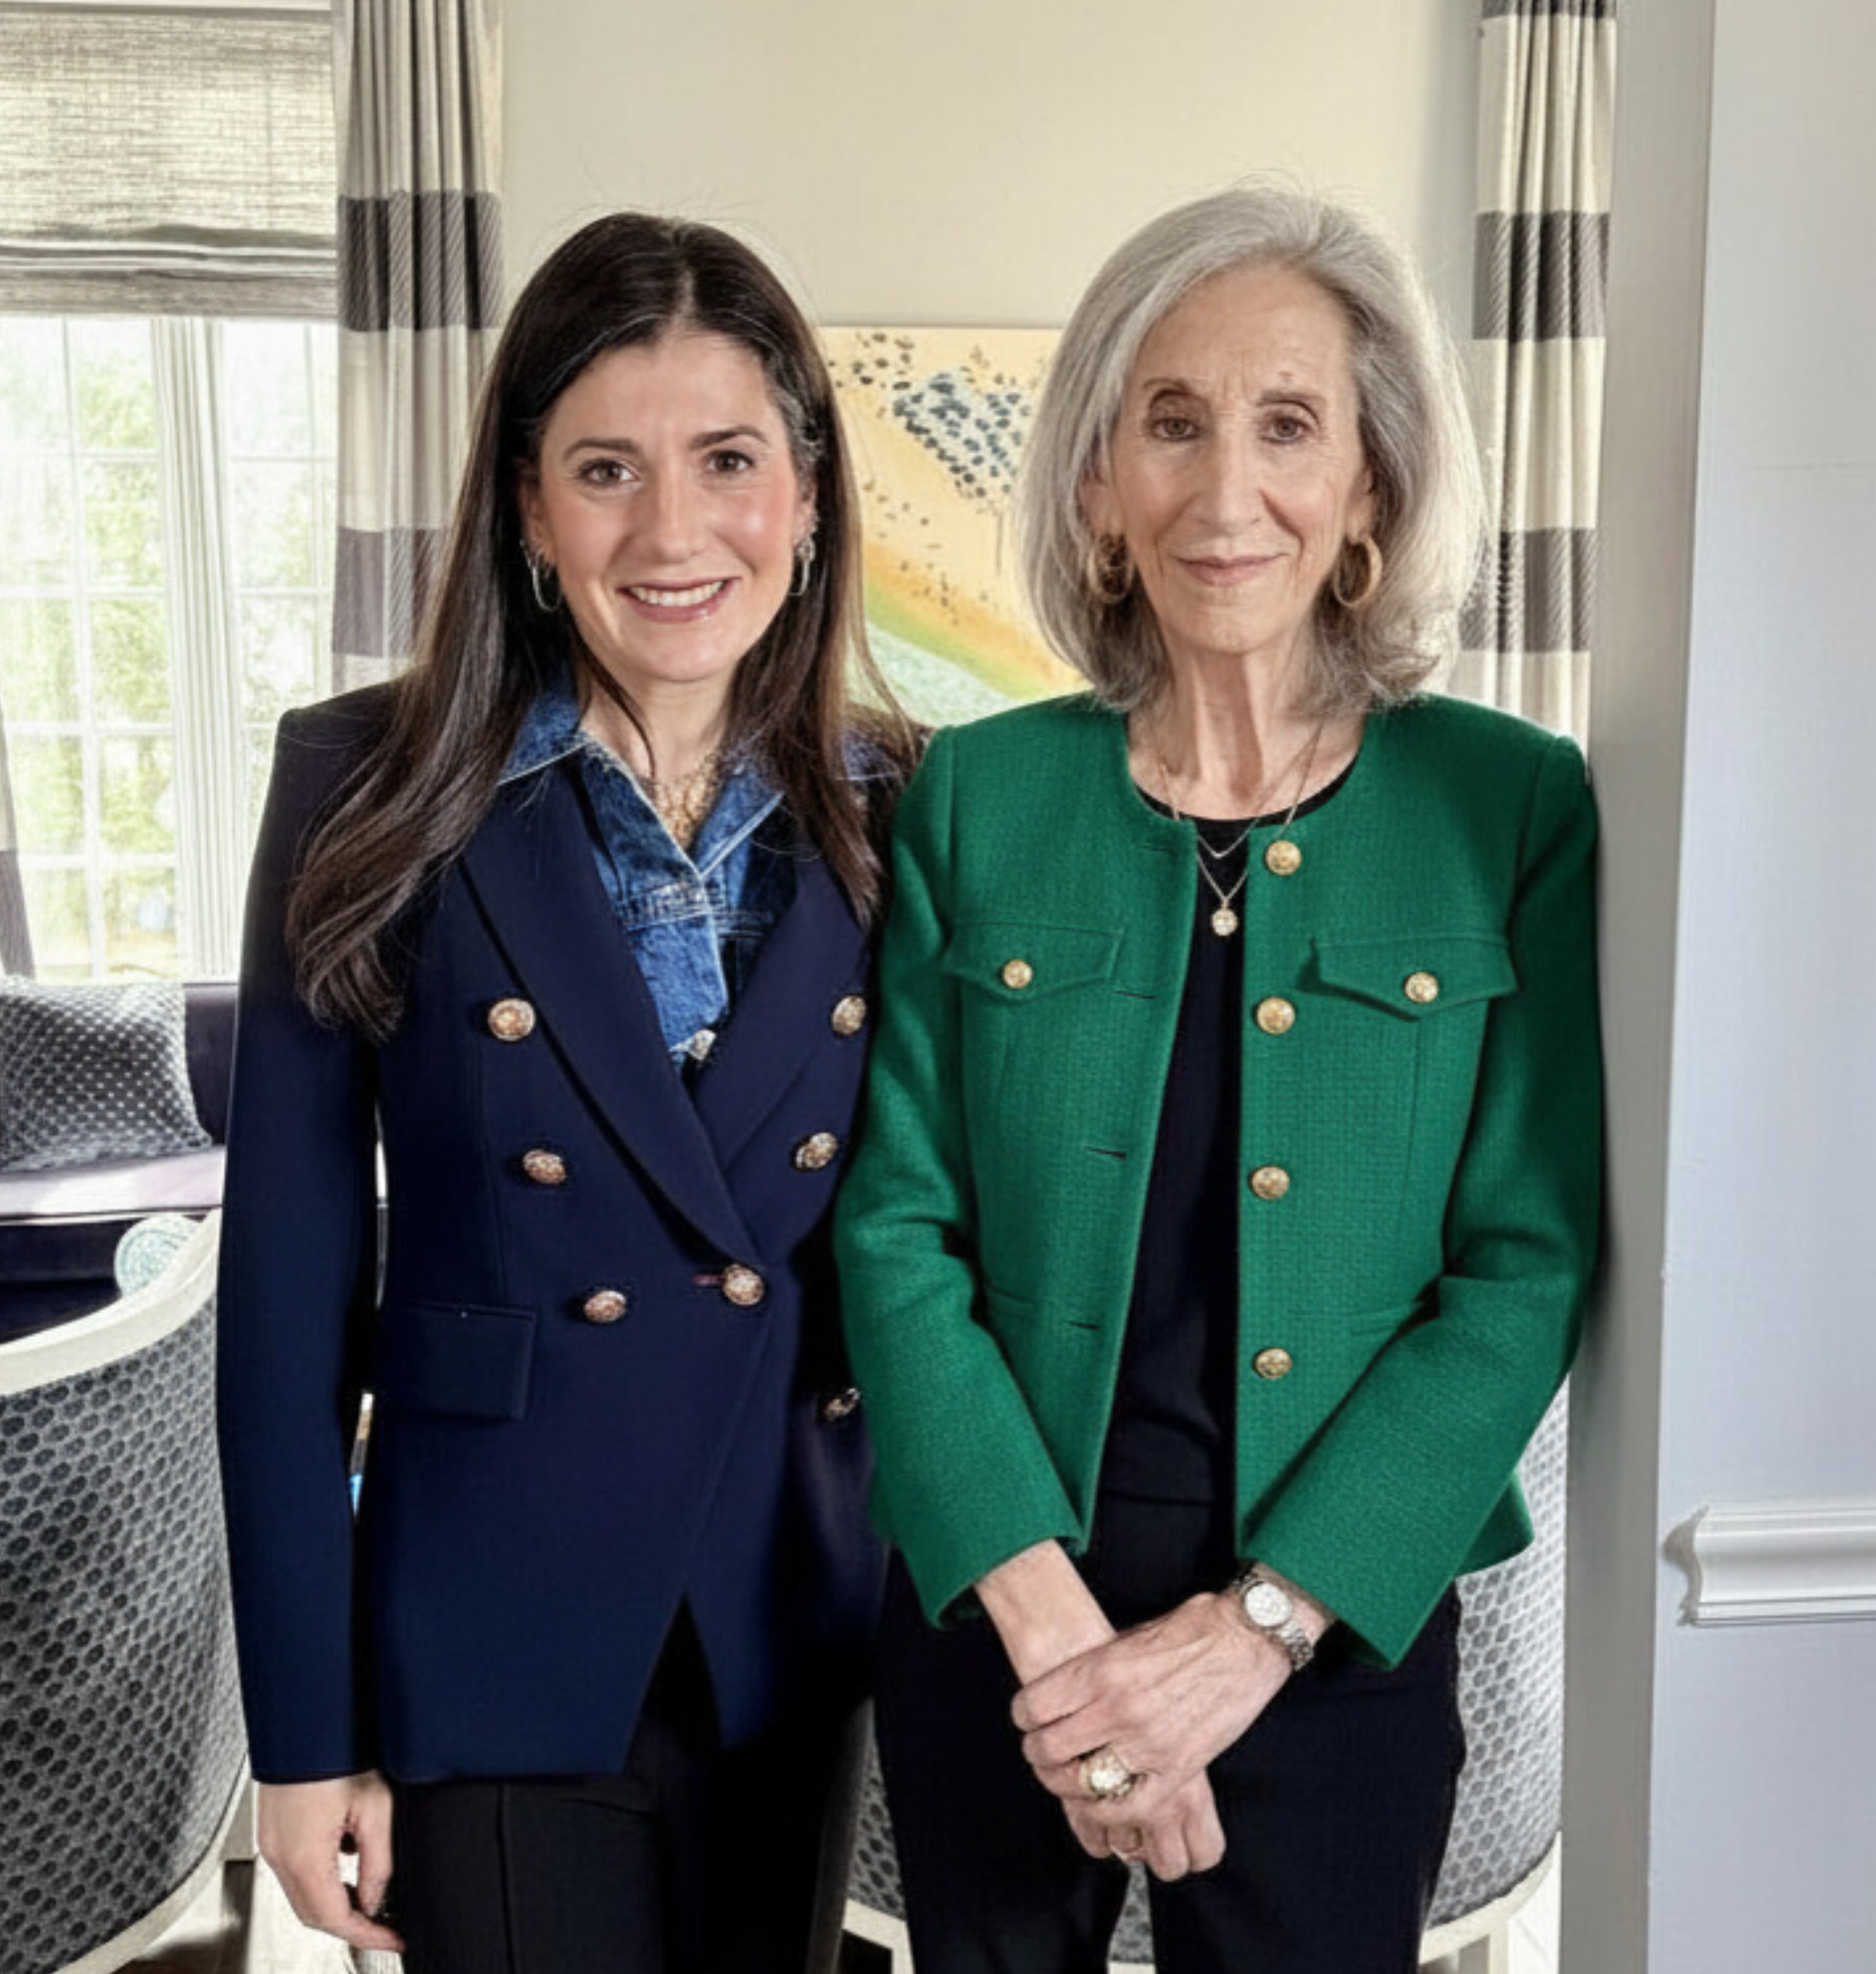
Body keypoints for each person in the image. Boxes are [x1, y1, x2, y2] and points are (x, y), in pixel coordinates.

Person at [834, 182, 1601, 1974]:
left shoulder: (1507, 805)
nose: (1223, 486)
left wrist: (1243, 1636)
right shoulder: (977, 793)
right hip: (998, 1625)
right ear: (1097, 487)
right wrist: (1057, 1645)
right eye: (1168, 423)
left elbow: (1520, 1271)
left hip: (1329, 1644)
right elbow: (893, 1226)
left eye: (1285, 425)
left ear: (1365, 494)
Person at [216, 212, 915, 1974]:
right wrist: (301, 1737)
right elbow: (283, 1306)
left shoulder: (909, 806)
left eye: (727, 462)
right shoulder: (363, 784)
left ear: (809, 494)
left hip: (785, 1609)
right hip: (494, 1616)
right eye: (605, 469)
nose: (671, 533)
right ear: (526, 507)